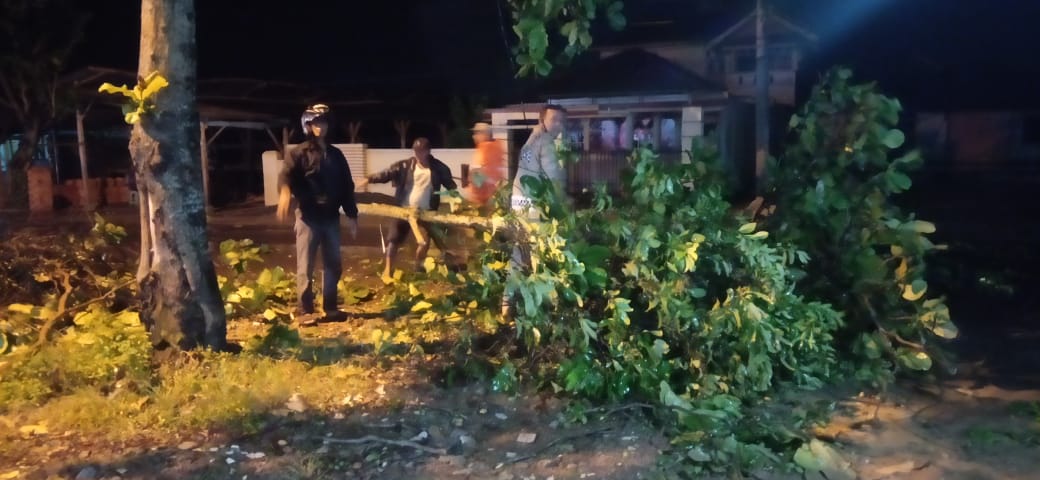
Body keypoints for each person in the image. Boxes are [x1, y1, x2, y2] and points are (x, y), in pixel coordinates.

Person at [276, 103, 359, 323]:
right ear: (308, 126)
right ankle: (306, 311)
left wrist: (352, 215)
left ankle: (330, 307)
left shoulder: (336, 155)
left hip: (331, 218)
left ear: (329, 125)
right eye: (315, 123)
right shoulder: (298, 153)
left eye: (323, 122)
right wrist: (284, 192)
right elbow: (285, 176)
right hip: (308, 218)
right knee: (306, 266)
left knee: (334, 264)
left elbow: (346, 186)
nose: (320, 127)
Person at [356, 137, 457, 279]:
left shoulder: (439, 168)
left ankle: (418, 266)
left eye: (421, 151)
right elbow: (387, 174)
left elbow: (451, 186)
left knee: (424, 243)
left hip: (425, 212)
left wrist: (455, 200)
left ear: (428, 151)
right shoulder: (405, 166)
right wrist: (369, 179)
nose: (418, 154)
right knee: (393, 240)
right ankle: (387, 270)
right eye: (416, 151)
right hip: (403, 210)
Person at [503, 104, 568, 318]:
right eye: (554, 119)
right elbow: (554, 179)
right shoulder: (546, 141)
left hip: (518, 200)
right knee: (540, 250)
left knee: (520, 249)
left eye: (561, 121)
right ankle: (540, 305)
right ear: (542, 120)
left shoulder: (530, 140)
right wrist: (564, 204)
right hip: (532, 204)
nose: (558, 124)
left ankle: (507, 302)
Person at [464, 122, 506, 209]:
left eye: (476, 133)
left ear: (484, 134)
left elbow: (477, 175)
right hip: (495, 195)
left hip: (484, 198)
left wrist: (473, 193)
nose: (474, 136)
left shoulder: (484, 150)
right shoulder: (497, 147)